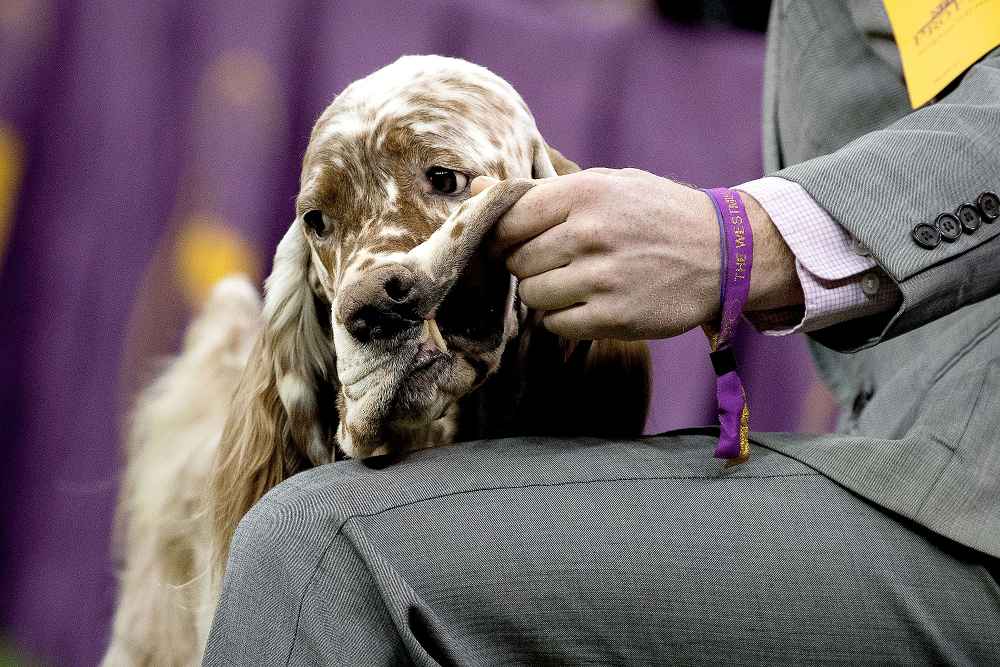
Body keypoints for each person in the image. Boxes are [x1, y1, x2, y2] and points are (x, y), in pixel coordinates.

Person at [206, 3, 1000, 664]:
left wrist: (741, 239)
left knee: (316, 552)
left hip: (971, 512)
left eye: (444, 183)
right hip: (909, 468)